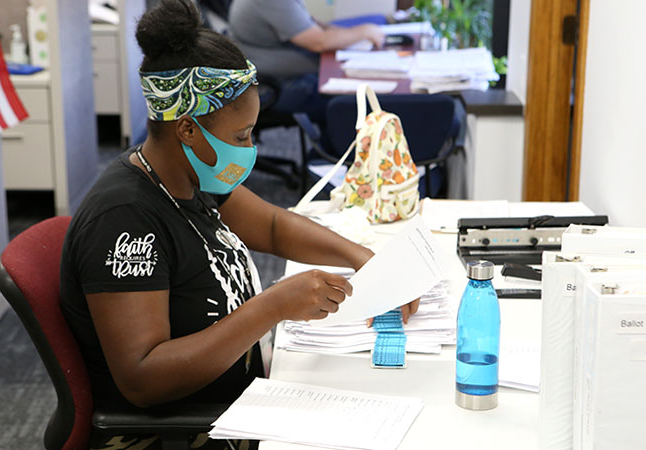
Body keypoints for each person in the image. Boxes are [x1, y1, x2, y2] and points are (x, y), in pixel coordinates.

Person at [60, 1, 417, 449]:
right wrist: (273, 306)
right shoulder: (125, 220)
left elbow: (270, 226)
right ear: (188, 130)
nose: (248, 149)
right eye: (241, 136)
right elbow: (143, 379)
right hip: (186, 433)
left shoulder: (192, 175)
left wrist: (361, 256)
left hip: (241, 402)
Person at [228, 0, 384, 124]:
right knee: (347, 103)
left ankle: (329, 149)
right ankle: (326, 157)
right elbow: (318, 43)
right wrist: (365, 31)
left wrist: (346, 33)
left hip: (273, 76)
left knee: (349, 92)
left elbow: (309, 23)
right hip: (270, 87)